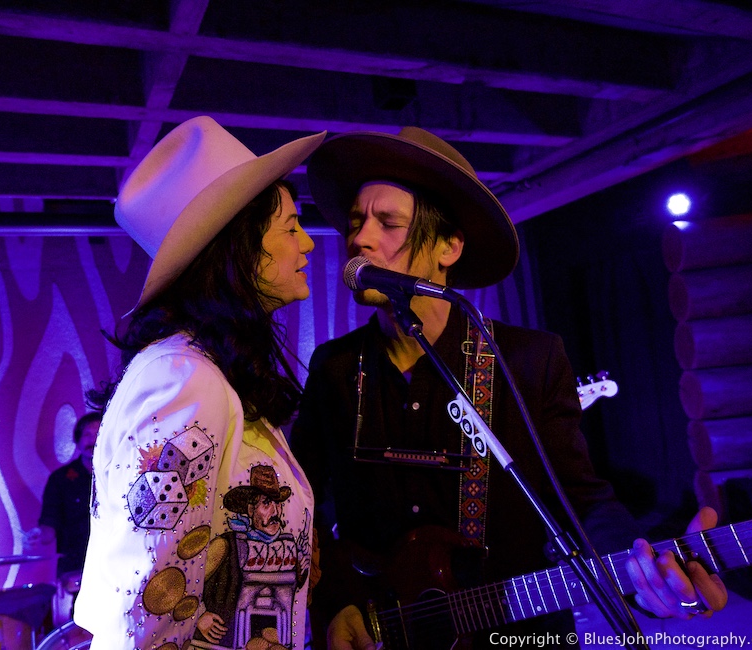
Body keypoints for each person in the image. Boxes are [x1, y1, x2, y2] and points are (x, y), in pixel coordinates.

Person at [289, 127, 728, 649]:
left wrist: (639, 567)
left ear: (449, 248)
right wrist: (337, 601)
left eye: (388, 223)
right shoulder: (336, 367)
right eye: (357, 221)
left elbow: (579, 500)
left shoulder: (528, 359)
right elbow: (304, 508)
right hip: (381, 632)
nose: (359, 238)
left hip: (515, 631)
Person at [73, 116, 325, 650]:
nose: (307, 243)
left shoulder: (205, 372)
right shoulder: (184, 379)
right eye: (290, 227)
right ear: (242, 247)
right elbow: (151, 608)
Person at [26, 411, 102, 580]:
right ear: (77, 441)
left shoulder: (120, 474)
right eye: (87, 435)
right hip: (76, 564)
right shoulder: (60, 478)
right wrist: (38, 535)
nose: (92, 440)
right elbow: (50, 522)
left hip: (115, 560)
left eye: (98, 434)